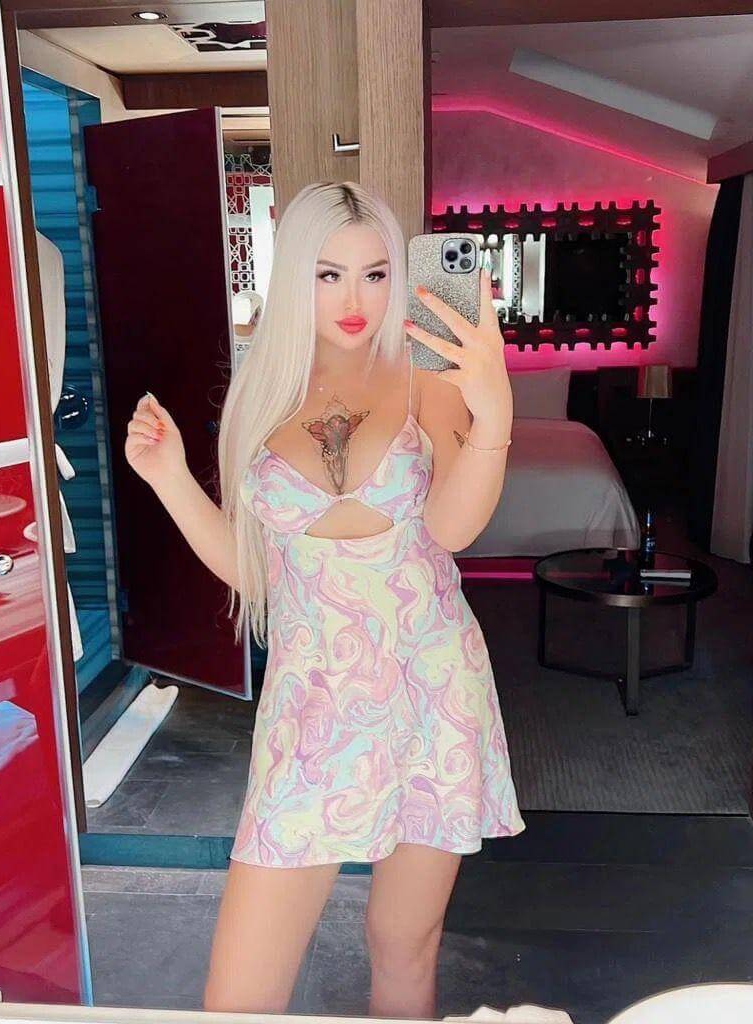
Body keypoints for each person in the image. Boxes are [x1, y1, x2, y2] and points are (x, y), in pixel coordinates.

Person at [124, 181, 525, 1020]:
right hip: (311, 705)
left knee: (403, 946)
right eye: (327, 274)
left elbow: (451, 529)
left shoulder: (428, 381)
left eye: (375, 274)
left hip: (429, 691)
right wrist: (166, 477)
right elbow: (255, 569)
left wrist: (492, 414)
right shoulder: (260, 394)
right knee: (240, 994)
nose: (354, 300)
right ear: (294, 275)